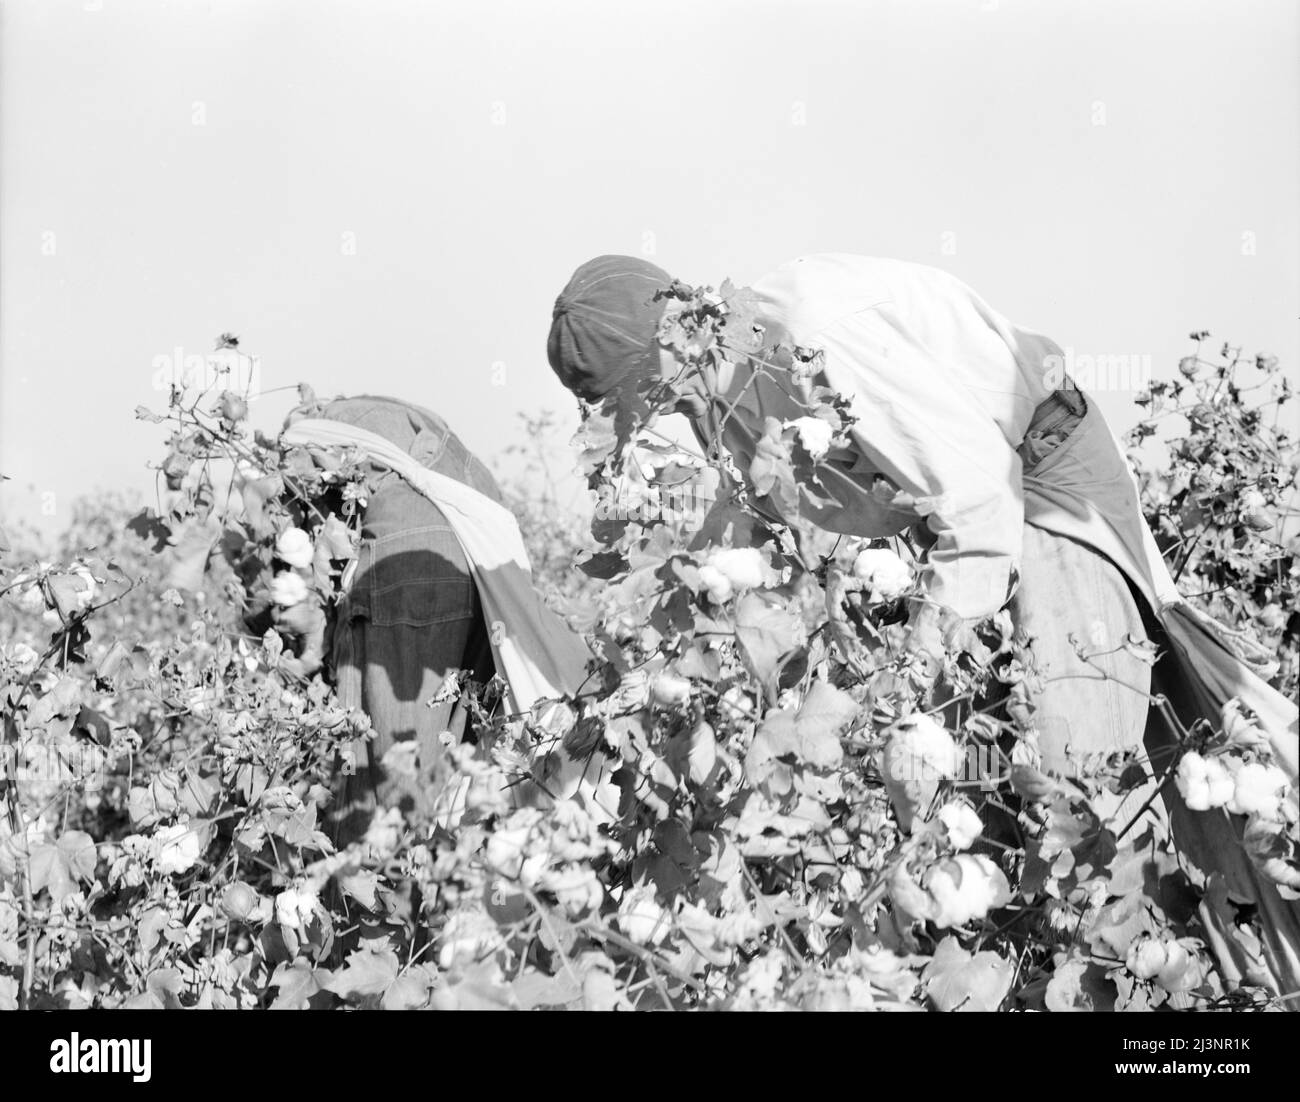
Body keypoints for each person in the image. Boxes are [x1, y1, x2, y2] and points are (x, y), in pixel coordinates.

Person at [545, 252, 1300, 995]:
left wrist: (919, 665)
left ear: (680, 339)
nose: (663, 413)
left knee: (1069, 781)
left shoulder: (817, 338)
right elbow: (811, 549)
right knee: (972, 796)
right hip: (954, 536)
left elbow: (977, 499)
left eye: (653, 394)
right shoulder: (722, 396)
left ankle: (1182, 995)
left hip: (1037, 483)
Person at [306, 396, 502, 839]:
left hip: (407, 548)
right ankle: (440, 885)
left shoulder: (293, 457)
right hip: (479, 526)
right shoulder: (398, 421)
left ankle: (381, 895)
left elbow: (282, 605)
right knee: (460, 751)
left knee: (388, 784)